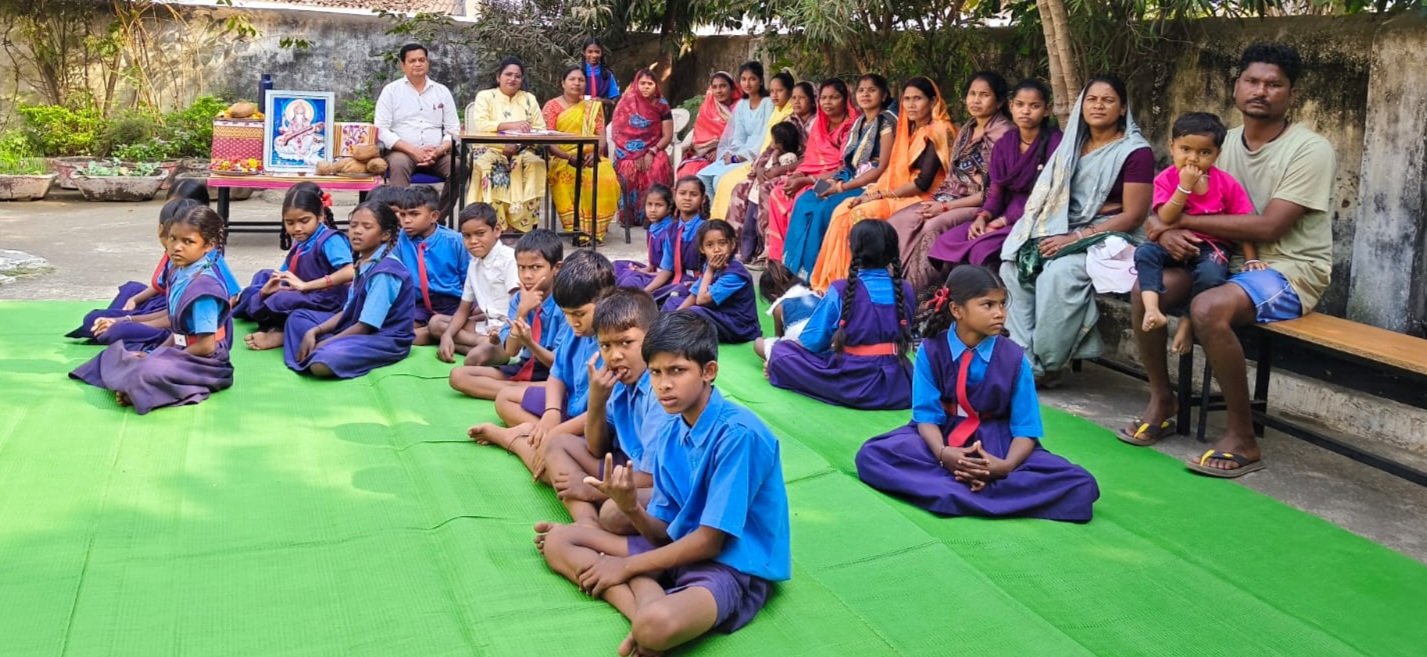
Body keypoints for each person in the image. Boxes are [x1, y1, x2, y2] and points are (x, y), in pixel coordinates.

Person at [1128, 43, 1335, 477]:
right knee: (1146, 288)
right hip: (1221, 258)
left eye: (1273, 84)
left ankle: (1242, 436)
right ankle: (1163, 399)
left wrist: (1174, 222)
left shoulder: (1309, 149)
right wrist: (1168, 230)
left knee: (1207, 307)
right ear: (1236, 86)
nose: (1261, 91)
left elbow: (1269, 227)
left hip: (1287, 270)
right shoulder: (1214, 144)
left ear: (1291, 94)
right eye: (1252, 81)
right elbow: (1163, 204)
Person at [534, 311, 790, 657]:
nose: (664, 384)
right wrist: (631, 508)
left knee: (656, 624)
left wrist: (626, 566)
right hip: (674, 548)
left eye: (677, 371)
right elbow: (662, 532)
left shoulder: (739, 435)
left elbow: (710, 542)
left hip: (728, 567)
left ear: (709, 371)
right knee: (558, 540)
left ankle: (644, 606)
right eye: (655, 372)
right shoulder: (672, 429)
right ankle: (642, 608)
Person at [855, 266, 1099, 521]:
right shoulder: (931, 350)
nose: (999, 313)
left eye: (1002, 304)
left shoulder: (1015, 359)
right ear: (956, 310)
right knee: (872, 455)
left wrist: (1004, 467)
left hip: (999, 443)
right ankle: (986, 490)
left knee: (1079, 483)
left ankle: (953, 489)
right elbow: (926, 416)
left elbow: (1026, 429)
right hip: (940, 435)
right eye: (988, 305)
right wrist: (943, 454)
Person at [998, 75, 1154, 387]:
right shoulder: (1072, 145)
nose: (1098, 106)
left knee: (1059, 273)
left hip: (1111, 237)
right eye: (1092, 99)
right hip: (1062, 226)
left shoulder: (1135, 152)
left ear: (1123, 108)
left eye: (1108, 100)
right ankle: (1024, 359)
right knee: (1014, 264)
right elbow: (1053, 195)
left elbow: (1134, 215)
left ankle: (1048, 364)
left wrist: (1076, 237)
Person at [70, 205, 235, 414]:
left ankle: (137, 388)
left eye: (188, 242)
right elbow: (177, 328)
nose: (176, 247)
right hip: (181, 348)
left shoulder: (204, 289)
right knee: (119, 354)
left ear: (208, 246)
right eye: (173, 238)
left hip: (205, 362)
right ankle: (135, 386)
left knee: (147, 370)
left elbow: (206, 346)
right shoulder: (179, 272)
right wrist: (156, 353)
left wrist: (161, 357)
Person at [468, 251, 615, 467]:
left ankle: (517, 441)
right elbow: (557, 372)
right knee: (504, 399)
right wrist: (551, 412)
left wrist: (555, 432)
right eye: (566, 314)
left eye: (579, 314)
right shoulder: (575, 331)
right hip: (570, 405)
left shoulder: (614, 345)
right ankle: (535, 434)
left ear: (605, 303)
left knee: (560, 469)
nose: (572, 322)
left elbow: (605, 413)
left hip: (594, 424)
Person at [809, 77, 956, 292]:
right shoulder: (909, 129)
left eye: (918, 99)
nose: (911, 105)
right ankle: (835, 282)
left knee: (860, 214)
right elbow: (891, 171)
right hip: (899, 189)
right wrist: (870, 193)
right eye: (907, 99)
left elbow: (923, 183)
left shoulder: (939, 130)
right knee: (843, 210)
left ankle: (860, 284)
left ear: (933, 102)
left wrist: (879, 195)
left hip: (923, 194)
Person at [1134, 112, 1258, 357]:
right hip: (1175, 243)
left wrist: (1251, 257)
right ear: (1172, 147)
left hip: (1213, 246)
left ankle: (1187, 321)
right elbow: (1166, 217)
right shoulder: (1166, 179)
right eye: (1186, 149)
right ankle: (1152, 309)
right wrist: (1184, 187)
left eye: (1204, 152)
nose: (1193, 158)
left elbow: (1243, 224)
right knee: (1145, 253)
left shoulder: (1226, 183)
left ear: (1217, 154)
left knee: (1212, 275)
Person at [539, 288, 664, 530]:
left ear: (651, 338)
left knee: (612, 512)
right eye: (605, 346)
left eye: (626, 343)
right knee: (557, 445)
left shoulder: (659, 391)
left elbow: (653, 477)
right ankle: (587, 523)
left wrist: (593, 489)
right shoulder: (619, 381)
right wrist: (597, 400)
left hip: (658, 481)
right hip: (627, 467)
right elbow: (596, 447)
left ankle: (593, 526)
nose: (615, 355)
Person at [765, 220, 914, 409]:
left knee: (781, 352)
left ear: (852, 249)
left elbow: (813, 342)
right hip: (898, 384)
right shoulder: (906, 289)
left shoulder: (840, 289)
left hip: (853, 381)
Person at [893, 72, 1014, 292]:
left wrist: (944, 207)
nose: (976, 100)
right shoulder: (967, 128)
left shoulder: (1005, 134)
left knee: (932, 226)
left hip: (982, 204)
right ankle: (891, 283)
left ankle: (919, 291)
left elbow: (993, 192)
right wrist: (938, 201)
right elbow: (953, 176)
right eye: (972, 94)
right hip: (950, 196)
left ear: (999, 102)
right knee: (902, 219)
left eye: (984, 95)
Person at [929, 78, 1062, 269]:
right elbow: (996, 190)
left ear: (1046, 110)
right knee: (949, 240)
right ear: (1011, 106)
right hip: (1001, 211)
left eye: (1034, 106)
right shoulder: (1004, 143)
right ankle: (953, 286)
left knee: (981, 248)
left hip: (1035, 218)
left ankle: (989, 287)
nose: (1025, 111)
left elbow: (1045, 195)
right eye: (1020, 104)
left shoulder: (1056, 144)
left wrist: (1003, 220)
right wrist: (983, 217)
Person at [283, 202, 416, 379]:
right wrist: (314, 331)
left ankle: (321, 348)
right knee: (297, 318)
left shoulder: (386, 273)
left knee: (322, 364)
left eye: (366, 227)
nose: (357, 231)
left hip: (383, 338)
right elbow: (347, 311)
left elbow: (365, 326)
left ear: (385, 235)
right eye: (353, 225)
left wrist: (326, 342)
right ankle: (319, 344)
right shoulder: (363, 262)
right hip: (355, 325)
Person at [448, 229, 566, 399]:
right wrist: (522, 312)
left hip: (554, 373)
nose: (527, 275)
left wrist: (530, 343)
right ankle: (520, 391)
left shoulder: (565, 303)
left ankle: (517, 391)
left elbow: (558, 364)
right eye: (521, 268)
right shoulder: (519, 299)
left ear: (556, 268)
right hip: (526, 365)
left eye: (536, 267)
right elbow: (511, 351)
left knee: (560, 386)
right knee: (458, 375)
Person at [236, 183, 355, 350]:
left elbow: (350, 271)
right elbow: (286, 271)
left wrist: (306, 286)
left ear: (320, 216)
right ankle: (264, 317)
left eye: (304, 221)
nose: (297, 228)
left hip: (327, 297)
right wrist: (273, 284)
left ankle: (278, 332)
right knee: (261, 280)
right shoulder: (302, 240)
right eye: (290, 223)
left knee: (279, 300)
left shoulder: (331, 240)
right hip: (303, 289)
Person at [764, 79, 856, 264]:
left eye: (834, 97)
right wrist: (798, 174)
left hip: (836, 179)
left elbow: (845, 167)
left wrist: (807, 180)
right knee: (778, 193)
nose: (828, 102)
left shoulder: (851, 127)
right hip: (810, 175)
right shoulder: (820, 125)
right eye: (824, 98)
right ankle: (779, 258)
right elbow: (810, 160)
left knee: (802, 198)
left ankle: (800, 261)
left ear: (845, 99)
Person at [728, 81, 817, 262]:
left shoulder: (816, 124)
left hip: (801, 170)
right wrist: (759, 168)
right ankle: (736, 248)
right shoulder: (789, 120)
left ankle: (768, 248)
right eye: (794, 98)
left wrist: (780, 170)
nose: (796, 102)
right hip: (776, 166)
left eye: (802, 98)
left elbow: (811, 157)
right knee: (741, 188)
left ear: (812, 100)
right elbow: (771, 148)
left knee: (767, 188)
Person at [465, 56, 547, 232]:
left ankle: (522, 226)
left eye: (517, 76)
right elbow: (482, 124)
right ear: (498, 77)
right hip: (490, 148)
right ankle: (496, 226)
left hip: (521, 149)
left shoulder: (529, 99)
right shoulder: (485, 96)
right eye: (508, 74)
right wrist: (513, 126)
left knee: (536, 164)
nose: (513, 79)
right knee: (492, 167)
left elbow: (539, 128)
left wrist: (517, 145)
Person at [543, 65, 622, 243]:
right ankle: (576, 230)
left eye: (581, 80)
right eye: (572, 79)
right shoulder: (551, 106)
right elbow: (548, 140)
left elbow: (601, 135)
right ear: (563, 83)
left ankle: (595, 231)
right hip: (562, 158)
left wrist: (595, 153)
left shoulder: (592, 106)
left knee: (605, 176)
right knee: (571, 177)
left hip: (590, 156)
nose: (577, 83)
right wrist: (568, 157)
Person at [431, 203, 519, 362]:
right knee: (436, 324)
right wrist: (447, 335)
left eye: (480, 234)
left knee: (475, 358)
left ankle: (484, 347)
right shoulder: (474, 263)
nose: (473, 241)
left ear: (496, 230)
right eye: (467, 236)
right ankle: (481, 344)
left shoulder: (509, 260)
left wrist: (503, 332)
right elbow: (463, 309)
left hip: (507, 332)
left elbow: (519, 308)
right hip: (486, 327)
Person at [711, 71, 796, 222]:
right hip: (759, 160)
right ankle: (718, 225)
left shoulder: (788, 114)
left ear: (790, 92)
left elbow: (774, 146)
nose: (774, 95)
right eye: (772, 91)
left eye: (780, 91)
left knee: (732, 184)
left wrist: (756, 163)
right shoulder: (777, 110)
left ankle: (732, 228)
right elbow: (746, 138)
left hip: (771, 163)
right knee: (722, 181)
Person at [374, 43, 459, 187]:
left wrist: (439, 151)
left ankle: (441, 204)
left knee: (458, 167)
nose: (418, 64)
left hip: (436, 154)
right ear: (403, 65)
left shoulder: (442, 92)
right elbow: (381, 129)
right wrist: (413, 151)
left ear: (427, 63)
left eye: (421, 60)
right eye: (412, 61)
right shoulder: (391, 91)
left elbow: (453, 129)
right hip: (402, 153)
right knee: (399, 164)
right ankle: (400, 203)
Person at [394, 185, 470, 345]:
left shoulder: (454, 241)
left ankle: (436, 331)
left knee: (414, 336)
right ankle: (434, 333)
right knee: (398, 331)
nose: (406, 220)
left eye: (414, 214)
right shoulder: (400, 240)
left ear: (434, 216)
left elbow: (468, 279)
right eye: (402, 215)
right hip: (418, 305)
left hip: (452, 304)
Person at [615, 176, 707, 306]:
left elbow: (712, 270)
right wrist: (645, 293)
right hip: (674, 279)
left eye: (693, 194)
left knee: (671, 301)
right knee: (625, 278)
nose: (687, 198)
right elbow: (667, 269)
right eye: (682, 193)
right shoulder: (673, 229)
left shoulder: (706, 230)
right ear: (675, 195)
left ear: (703, 199)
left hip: (697, 283)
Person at [666, 220, 761, 344]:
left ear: (732, 244)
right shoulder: (710, 264)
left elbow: (701, 300)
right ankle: (670, 327)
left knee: (694, 313)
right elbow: (695, 294)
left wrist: (709, 271)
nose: (717, 250)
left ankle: (673, 331)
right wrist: (676, 315)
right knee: (673, 301)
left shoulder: (735, 273)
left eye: (722, 243)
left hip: (739, 326)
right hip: (718, 314)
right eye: (710, 245)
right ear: (702, 249)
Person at [695, 62, 772, 199]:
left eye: (752, 79)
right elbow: (738, 136)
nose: (747, 83)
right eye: (743, 79)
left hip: (757, 155)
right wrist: (732, 154)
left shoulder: (768, 103)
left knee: (719, 180)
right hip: (739, 153)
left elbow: (765, 135)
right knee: (701, 177)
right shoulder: (742, 104)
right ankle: (712, 211)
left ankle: (723, 213)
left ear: (760, 81)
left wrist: (742, 156)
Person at [611, 69, 675, 228]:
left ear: (656, 86)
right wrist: (635, 155)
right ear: (636, 84)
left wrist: (651, 151)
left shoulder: (662, 105)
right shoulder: (626, 103)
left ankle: (654, 216)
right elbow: (617, 133)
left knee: (658, 166)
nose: (646, 87)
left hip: (654, 149)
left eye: (650, 84)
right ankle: (628, 216)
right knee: (628, 169)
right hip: (627, 152)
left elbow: (667, 136)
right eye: (642, 83)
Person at [675, 71, 740, 179]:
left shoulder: (741, 108)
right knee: (689, 172)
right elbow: (700, 140)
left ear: (732, 87)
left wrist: (720, 150)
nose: (718, 91)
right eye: (714, 87)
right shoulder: (706, 109)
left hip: (731, 154)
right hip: (705, 154)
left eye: (723, 86)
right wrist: (710, 151)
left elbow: (743, 136)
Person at [754, 261, 821, 354]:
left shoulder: (779, 307)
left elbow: (779, 339)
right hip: (827, 350)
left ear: (773, 295)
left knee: (758, 343)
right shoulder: (815, 295)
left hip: (801, 354)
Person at [612, 184, 673, 285]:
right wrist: (639, 270)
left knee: (629, 281)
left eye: (658, 205)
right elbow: (652, 266)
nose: (653, 209)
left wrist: (642, 275)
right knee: (617, 266)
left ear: (669, 208)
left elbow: (669, 273)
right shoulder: (652, 228)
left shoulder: (669, 232)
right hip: (655, 272)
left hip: (665, 278)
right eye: (649, 204)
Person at [580, 37, 621, 114]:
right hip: (577, 114)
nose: (594, 55)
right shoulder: (577, 72)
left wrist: (602, 100)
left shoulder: (607, 74)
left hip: (600, 115)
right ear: (583, 52)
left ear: (601, 53)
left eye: (597, 52)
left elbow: (614, 101)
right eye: (590, 52)